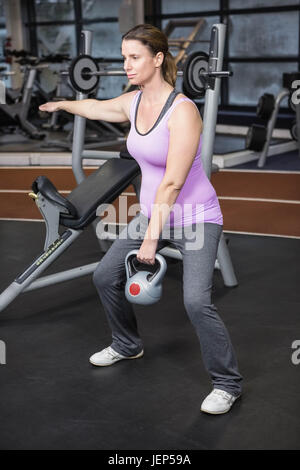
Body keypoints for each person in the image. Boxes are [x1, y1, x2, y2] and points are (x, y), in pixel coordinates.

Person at [39, 24, 242, 415]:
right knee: (104, 276)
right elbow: (98, 107)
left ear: (158, 59)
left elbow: (172, 183)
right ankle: (127, 343)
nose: (126, 65)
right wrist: (63, 104)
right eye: (124, 57)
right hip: (152, 214)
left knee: (197, 302)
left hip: (195, 218)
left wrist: (151, 239)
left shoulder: (184, 112)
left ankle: (227, 383)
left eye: (134, 57)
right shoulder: (133, 102)